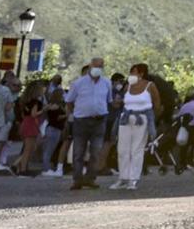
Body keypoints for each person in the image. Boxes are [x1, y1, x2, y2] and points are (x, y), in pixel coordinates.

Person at [63, 57, 112, 191]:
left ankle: (90, 178)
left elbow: (108, 100)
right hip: (81, 121)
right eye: (96, 66)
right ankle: (77, 180)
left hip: (99, 120)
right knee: (78, 152)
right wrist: (72, 115)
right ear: (90, 66)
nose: (98, 68)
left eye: (101, 66)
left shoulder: (106, 83)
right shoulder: (79, 83)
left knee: (96, 152)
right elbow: (69, 101)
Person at [112, 63, 159, 191]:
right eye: (131, 72)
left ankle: (133, 179)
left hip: (142, 118)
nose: (131, 75)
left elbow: (157, 103)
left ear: (141, 73)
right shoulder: (128, 86)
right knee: (122, 149)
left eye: (134, 72)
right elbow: (123, 101)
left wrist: (151, 120)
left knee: (136, 149)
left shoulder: (150, 86)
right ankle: (123, 177)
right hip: (126, 118)